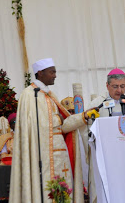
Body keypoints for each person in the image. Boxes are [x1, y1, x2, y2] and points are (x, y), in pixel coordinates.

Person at [9, 58, 85, 202]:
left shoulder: (50, 95)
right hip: (43, 155)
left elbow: (62, 125)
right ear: (40, 73)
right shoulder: (30, 94)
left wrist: (83, 117)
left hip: (60, 155)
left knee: (63, 191)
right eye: (52, 72)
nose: (55, 75)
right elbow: (34, 128)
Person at [62, 68, 125, 203]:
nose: (119, 90)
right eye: (115, 86)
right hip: (105, 157)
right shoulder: (97, 104)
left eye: (123, 86)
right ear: (107, 86)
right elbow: (85, 129)